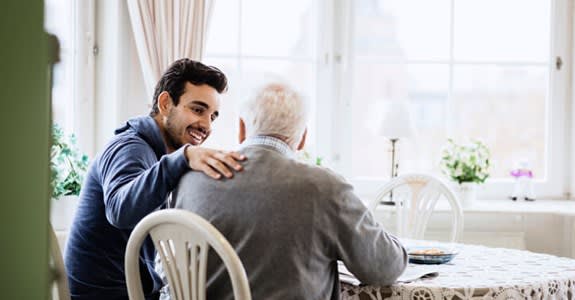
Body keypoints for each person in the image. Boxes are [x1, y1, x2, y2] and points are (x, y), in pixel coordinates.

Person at [166, 82, 408, 299]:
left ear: (241, 128)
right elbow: (383, 268)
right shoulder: (325, 187)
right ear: (302, 138)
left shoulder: (189, 180)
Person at [65, 58, 246, 300]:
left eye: (213, 116)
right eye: (197, 109)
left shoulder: (152, 150)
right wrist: (183, 158)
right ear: (165, 103)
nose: (206, 125)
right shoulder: (130, 146)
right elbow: (120, 211)